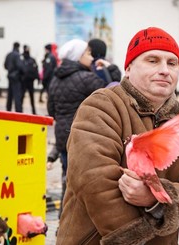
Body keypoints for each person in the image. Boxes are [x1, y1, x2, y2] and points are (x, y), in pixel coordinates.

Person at [56, 27, 179, 244]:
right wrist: (135, 235)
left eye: (172, 63)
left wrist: (157, 198)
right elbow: (93, 180)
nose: (164, 70)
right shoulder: (102, 106)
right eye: (152, 60)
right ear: (129, 67)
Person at [47, 38, 110, 220]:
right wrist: (110, 69)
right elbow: (110, 96)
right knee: (85, 184)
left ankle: (62, 223)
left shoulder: (55, 79)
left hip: (62, 136)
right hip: (83, 138)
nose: (90, 58)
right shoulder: (87, 78)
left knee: (68, 180)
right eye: (87, 53)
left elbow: (52, 111)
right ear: (78, 56)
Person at [4, 42, 24, 112]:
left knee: (10, 94)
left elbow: (5, 65)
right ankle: (18, 110)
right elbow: (20, 66)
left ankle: (8, 109)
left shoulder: (9, 54)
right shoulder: (17, 55)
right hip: (16, 77)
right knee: (17, 95)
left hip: (10, 76)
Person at [21, 45, 39, 114]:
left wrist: (37, 78)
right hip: (23, 81)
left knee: (32, 96)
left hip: (31, 81)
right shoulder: (21, 58)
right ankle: (20, 111)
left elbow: (36, 69)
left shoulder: (32, 59)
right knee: (22, 96)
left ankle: (34, 111)